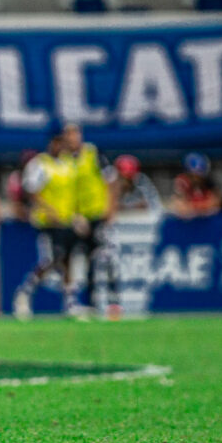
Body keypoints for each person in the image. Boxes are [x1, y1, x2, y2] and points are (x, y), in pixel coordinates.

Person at [13, 132, 79, 320]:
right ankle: (25, 292)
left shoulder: (68, 164)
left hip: (66, 219)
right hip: (46, 221)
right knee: (51, 258)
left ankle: (70, 302)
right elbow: (31, 190)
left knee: (68, 260)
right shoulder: (40, 164)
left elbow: (72, 193)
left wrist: (77, 215)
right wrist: (47, 209)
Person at [65, 123, 121, 319]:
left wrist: (110, 209)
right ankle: (92, 304)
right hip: (82, 219)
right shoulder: (65, 160)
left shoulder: (93, 154)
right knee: (86, 260)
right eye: (68, 135)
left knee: (107, 257)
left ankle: (114, 302)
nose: (72, 138)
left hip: (99, 214)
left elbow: (112, 181)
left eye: (75, 134)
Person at [170, 152, 221, 219]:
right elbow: (179, 207)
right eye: (193, 175)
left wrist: (194, 207)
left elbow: (215, 203)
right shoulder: (182, 182)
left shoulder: (210, 183)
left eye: (199, 175)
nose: (196, 179)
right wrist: (200, 207)